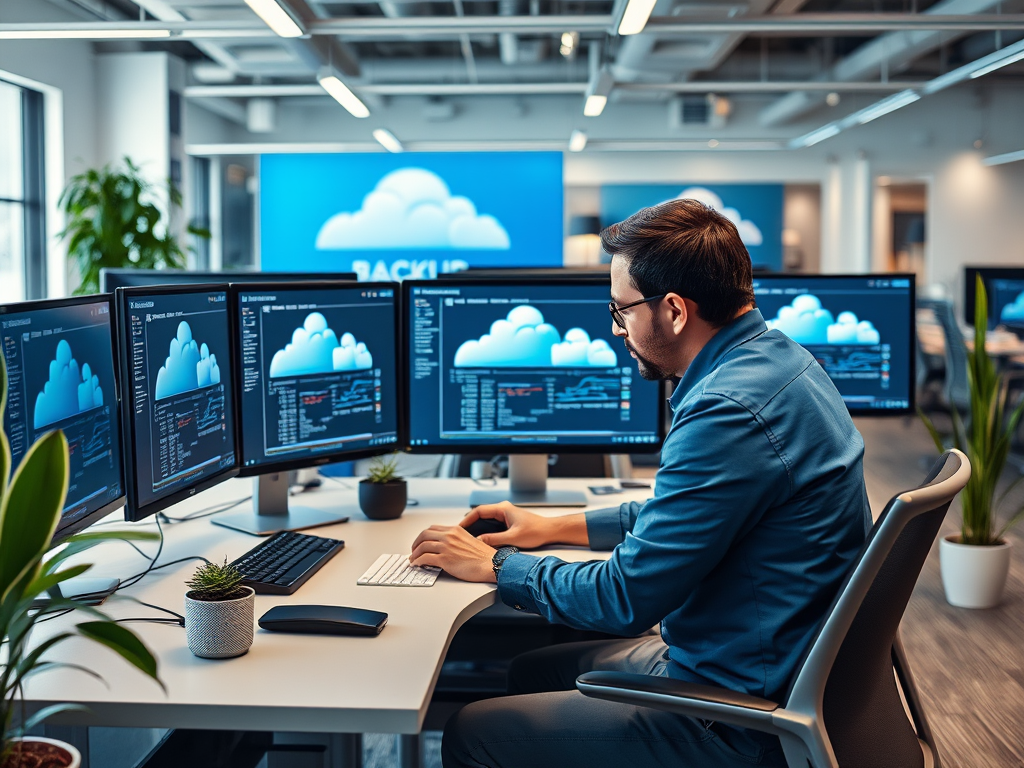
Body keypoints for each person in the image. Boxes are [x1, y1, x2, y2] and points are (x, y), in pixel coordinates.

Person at [410, 199, 870, 768]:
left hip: (739, 711)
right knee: (531, 670)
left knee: (471, 732)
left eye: (620, 310)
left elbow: (624, 597)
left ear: (674, 311)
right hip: (770, 660)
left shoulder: (727, 409)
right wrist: (556, 526)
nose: (615, 328)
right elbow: (686, 512)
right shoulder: (782, 362)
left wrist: (495, 567)